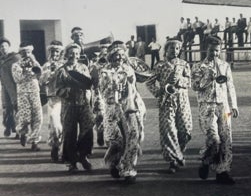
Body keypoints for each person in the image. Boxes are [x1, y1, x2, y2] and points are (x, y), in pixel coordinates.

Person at [191, 36, 239, 185]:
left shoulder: (225, 65)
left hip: (224, 106)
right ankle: (206, 161)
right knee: (214, 139)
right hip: (207, 106)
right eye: (212, 50)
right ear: (206, 49)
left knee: (226, 139)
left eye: (217, 50)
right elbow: (195, 86)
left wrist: (234, 105)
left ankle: (223, 171)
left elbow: (230, 86)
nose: (215, 53)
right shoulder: (198, 67)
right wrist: (208, 78)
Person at [98, 41, 146, 183]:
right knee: (116, 140)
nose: (119, 58)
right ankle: (114, 162)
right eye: (116, 56)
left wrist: (131, 82)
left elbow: (136, 87)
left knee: (133, 136)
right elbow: (103, 92)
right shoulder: (105, 72)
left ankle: (128, 169)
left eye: (121, 56)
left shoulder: (128, 69)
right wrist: (113, 87)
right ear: (111, 57)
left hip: (129, 107)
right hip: (112, 109)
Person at [146, 39, 192, 173]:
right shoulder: (160, 65)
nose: (175, 51)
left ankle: (179, 153)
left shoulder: (184, 64)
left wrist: (180, 81)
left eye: (177, 48)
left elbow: (189, 81)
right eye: (172, 48)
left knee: (185, 130)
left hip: (182, 101)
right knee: (168, 131)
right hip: (166, 102)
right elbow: (149, 82)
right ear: (166, 50)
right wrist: (158, 92)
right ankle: (173, 160)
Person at [56, 43, 95, 173]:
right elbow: (57, 90)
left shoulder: (83, 67)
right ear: (66, 54)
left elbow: (89, 84)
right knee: (69, 133)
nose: (74, 56)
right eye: (71, 53)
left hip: (84, 104)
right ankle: (72, 161)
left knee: (88, 130)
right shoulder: (61, 70)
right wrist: (69, 91)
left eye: (77, 53)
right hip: (69, 106)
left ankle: (83, 156)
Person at [12, 41, 43, 151]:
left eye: (29, 52)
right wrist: (25, 70)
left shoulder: (35, 62)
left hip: (35, 92)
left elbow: (41, 75)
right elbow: (17, 79)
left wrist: (34, 63)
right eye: (24, 52)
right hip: (23, 94)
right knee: (25, 118)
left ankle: (34, 141)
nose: (27, 54)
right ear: (20, 53)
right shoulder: (16, 65)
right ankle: (22, 133)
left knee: (38, 117)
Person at [40, 40, 64, 162]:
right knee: (53, 125)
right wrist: (48, 73)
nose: (55, 54)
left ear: (60, 52)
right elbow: (41, 82)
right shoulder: (46, 65)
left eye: (57, 51)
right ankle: (55, 147)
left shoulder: (65, 64)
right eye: (53, 51)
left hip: (63, 98)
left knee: (57, 121)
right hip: (51, 99)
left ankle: (63, 147)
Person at [0, 38, 20, 137]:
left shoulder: (15, 57)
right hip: (5, 88)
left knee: (17, 107)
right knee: (7, 108)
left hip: (15, 86)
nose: (3, 48)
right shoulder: (0, 60)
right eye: (1, 46)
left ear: (9, 47)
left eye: (5, 46)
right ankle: (8, 126)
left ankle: (19, 130)